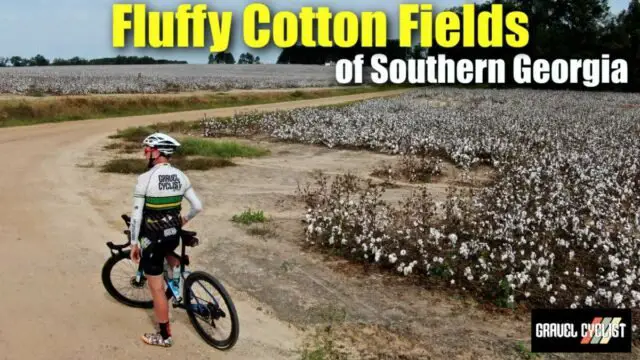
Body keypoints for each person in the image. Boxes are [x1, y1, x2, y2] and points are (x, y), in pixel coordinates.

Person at [128, 132, 203, 347]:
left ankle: (164, 336)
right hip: (173, 236)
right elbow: (197, 207)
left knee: (157, 289)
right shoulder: (181, 176)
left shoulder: (145, 179)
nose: (145, 154)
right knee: (168, 252)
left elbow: (137, 215)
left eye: (147, 150)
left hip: (153, 238)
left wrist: (134, 243)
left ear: (157, 152)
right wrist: (184, 220)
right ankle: (176, 276)